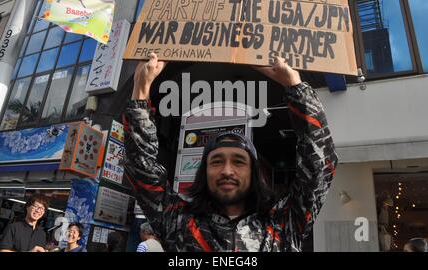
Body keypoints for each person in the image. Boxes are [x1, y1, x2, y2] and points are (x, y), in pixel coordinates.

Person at [123, 53, 338, 251]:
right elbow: (141, 168)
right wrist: (140, 89)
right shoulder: (178, 222)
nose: (227, 170)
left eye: (239, 161)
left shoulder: (282, 225)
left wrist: (295, 86)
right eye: (216, 161)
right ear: (203, 172)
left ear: (254, 171)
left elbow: (319, 165)